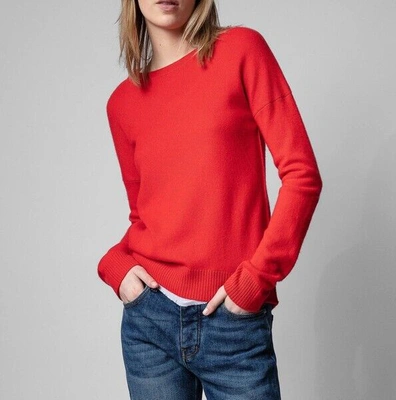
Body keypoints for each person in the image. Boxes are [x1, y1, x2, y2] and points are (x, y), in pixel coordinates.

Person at [97, 0, 323, 399]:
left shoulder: (242, 51)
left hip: (233, 326)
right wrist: (114, 266)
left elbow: (302, 175)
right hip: (149, 323)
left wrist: (255, 280)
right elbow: (144, 214)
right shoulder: (122, 103)